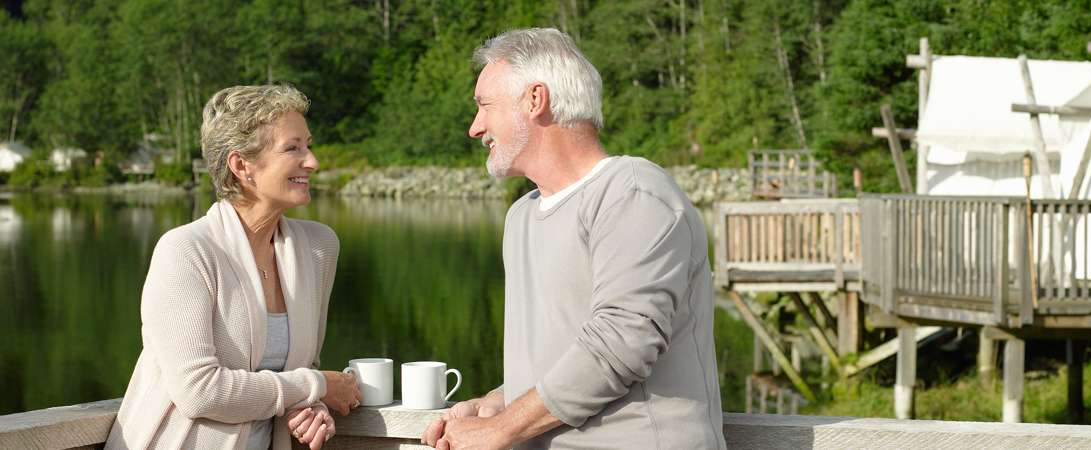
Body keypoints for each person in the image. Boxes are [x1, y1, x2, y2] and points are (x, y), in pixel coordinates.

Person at [422, 28, 726, 450]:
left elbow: (623, 344)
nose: (475, 128)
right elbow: (561, 359)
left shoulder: (632, 192)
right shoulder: (522, 216)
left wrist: (503, 427)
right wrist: (497, 402)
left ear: (535, 99)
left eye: (483, 105)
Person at [105, 84, 361, 450]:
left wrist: (307, 406)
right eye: (293, 148)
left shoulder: (318, 247)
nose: (312, 161)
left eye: (308, 145)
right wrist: (317, 385)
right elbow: (199, 391)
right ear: (241, 166)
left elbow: (295, 371)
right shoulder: (186, 251)